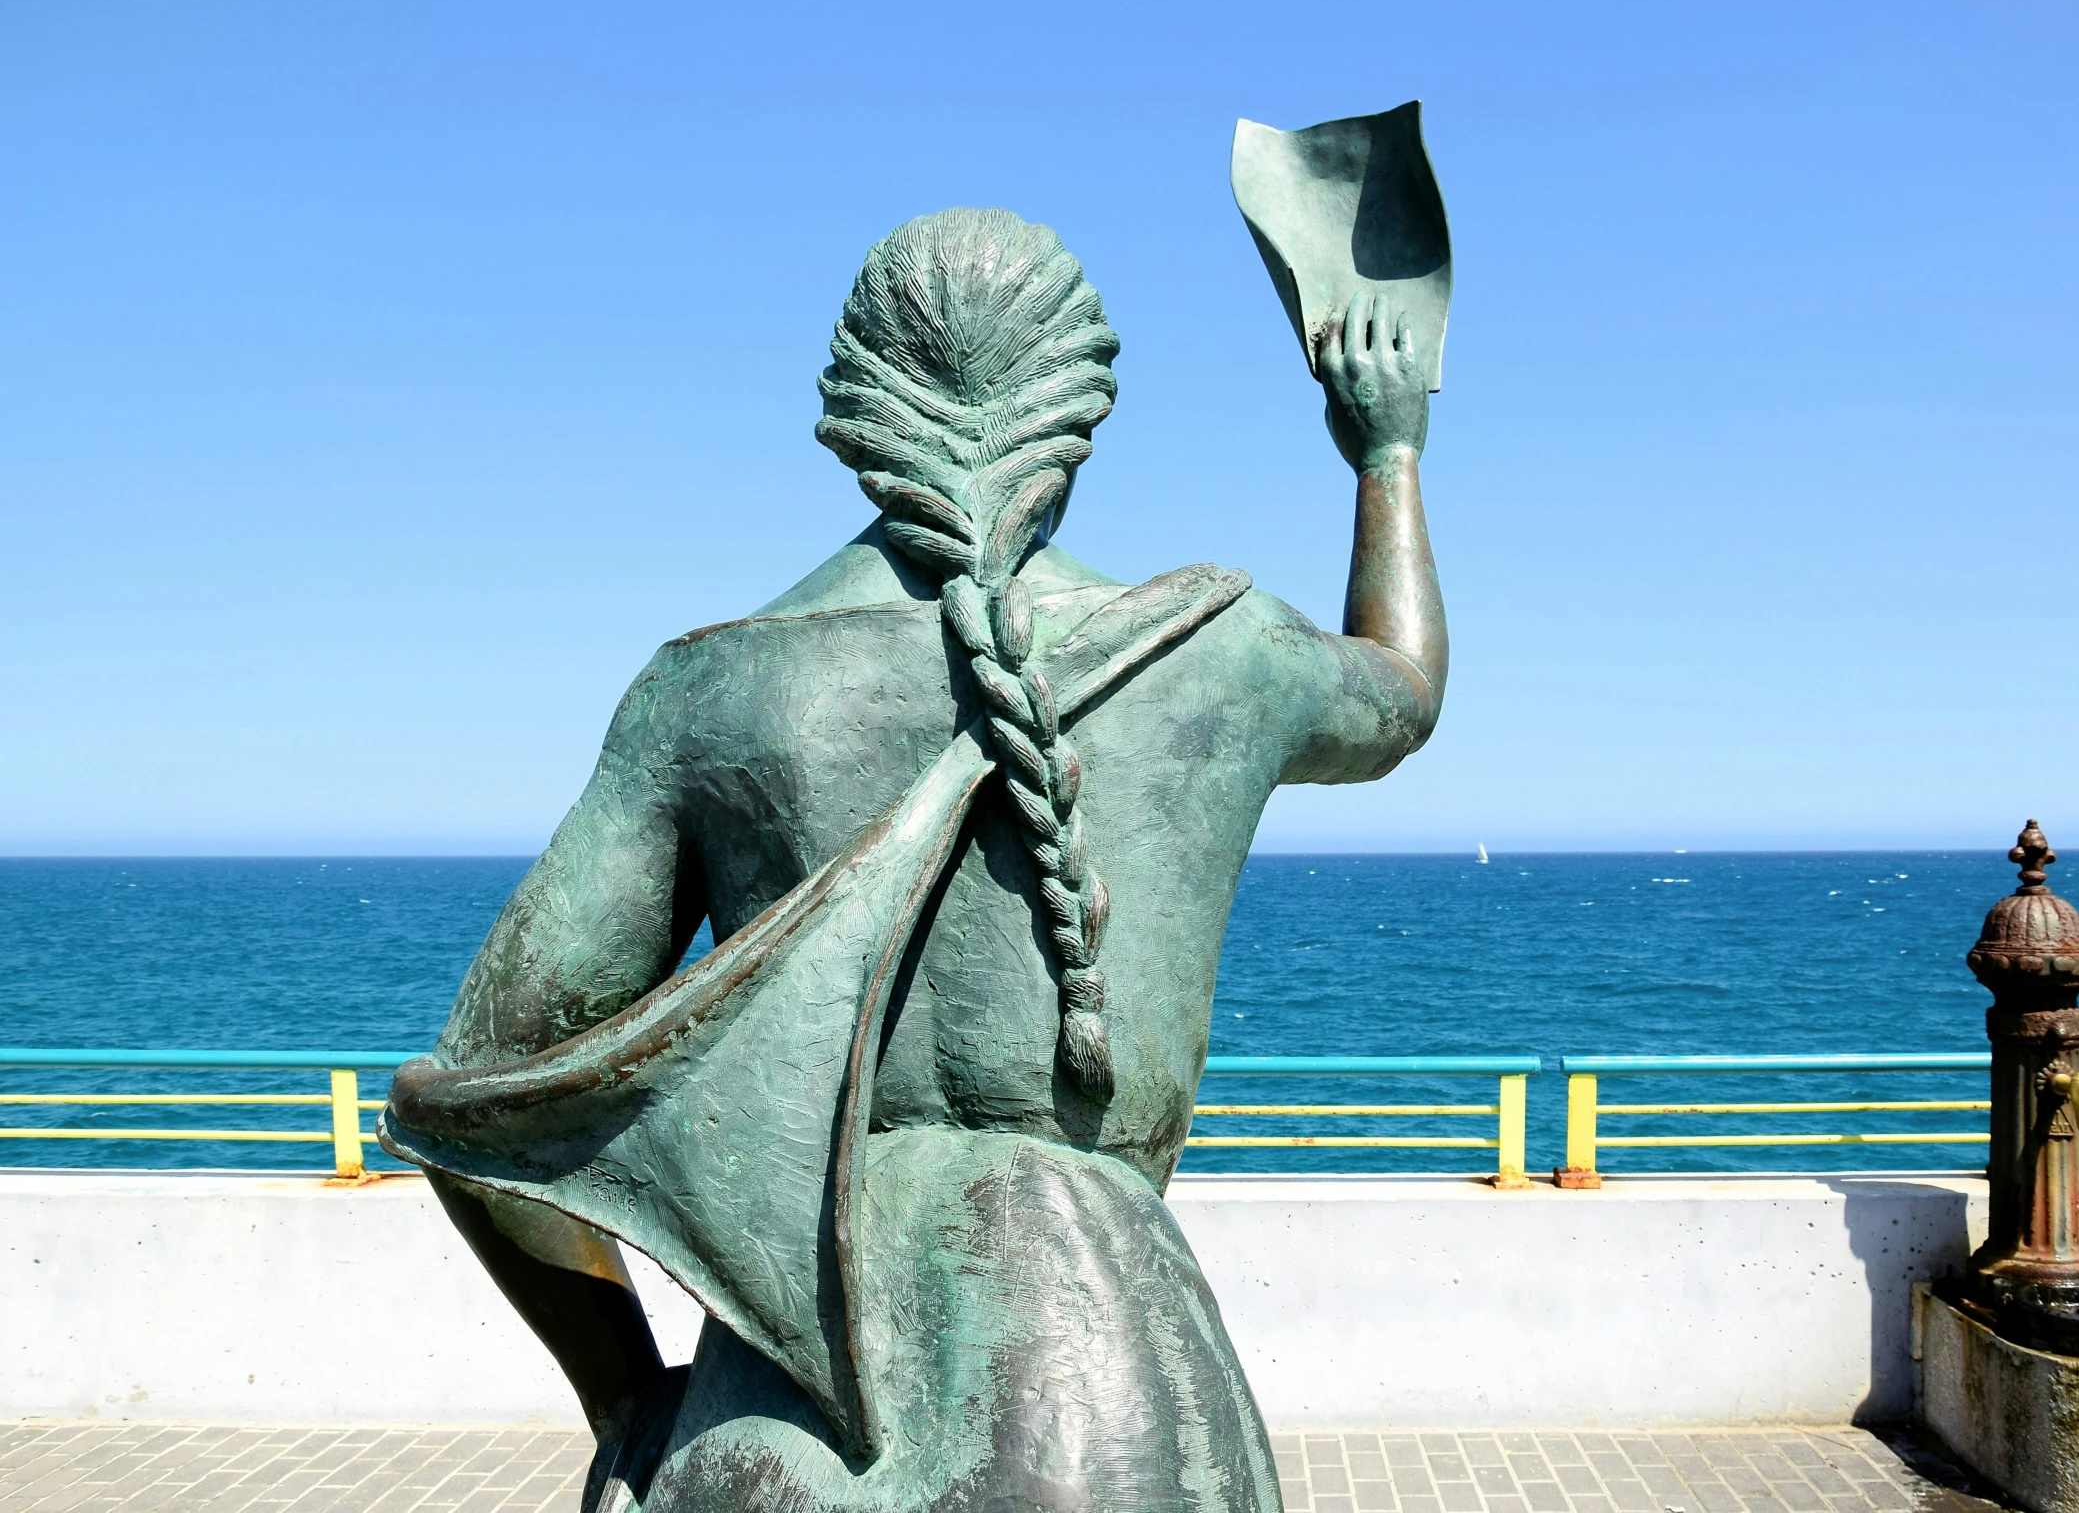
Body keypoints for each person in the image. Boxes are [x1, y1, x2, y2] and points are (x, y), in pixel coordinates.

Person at [385, 207, 1446, 1513]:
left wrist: (631, 1398)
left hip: (772, 1410)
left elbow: (477, 1101)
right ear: (1081, 407)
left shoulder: (706, 694)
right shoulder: (1220, 654)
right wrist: (1384, 453)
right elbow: (1400, 690)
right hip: (1103, 1393)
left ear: (853, 407)